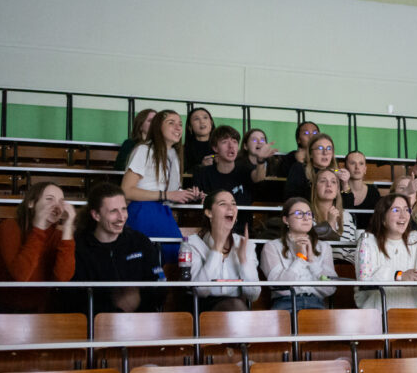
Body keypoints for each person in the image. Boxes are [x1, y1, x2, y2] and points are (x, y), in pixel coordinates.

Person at [121, 110, 202, 263]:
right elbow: (126, 190)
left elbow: (170, 192)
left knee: (176, 258)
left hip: (163, 211)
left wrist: (188, 194)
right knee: (145, 261)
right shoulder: (144, 150)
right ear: (158, 127)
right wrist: (167, 195)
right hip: (142, 211)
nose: (178, 128)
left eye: (180, 124)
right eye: (171, 123)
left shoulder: (174, 155)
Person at [73, 183, 163, 313]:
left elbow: (160, 284)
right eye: (113, 211)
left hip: (141, 320)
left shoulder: (140, 241)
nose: (121, 217)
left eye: (124, 209)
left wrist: (139, 299)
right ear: (96, 215)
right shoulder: (80, 247)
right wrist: (113, 306)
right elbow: (75, 297)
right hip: (96, 322)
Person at [0, 181, 75, 312]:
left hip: (40, 309)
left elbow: (62, 279)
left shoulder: (58, 235)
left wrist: (68, 227)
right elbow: (21, 275)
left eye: (61, 201)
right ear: (31, 203)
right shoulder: (10, 227)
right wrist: (39, 227)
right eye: (49, 199)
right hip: (2, 308)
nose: (56, 206)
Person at [354, 192, 417, 310]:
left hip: (410, 315)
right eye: (396, 210)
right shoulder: (368, 241)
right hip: (375, 315)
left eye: (406, 210)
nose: (403, 216)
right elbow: (365, 277)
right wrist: (400, 276)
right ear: (382, 217)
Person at [187, 125, 272, 234]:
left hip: (241, 231)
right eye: (225, 142)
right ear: (215, 148)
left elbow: (258, 178)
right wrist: (197, 197)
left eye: (235, 142)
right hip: (211, 230)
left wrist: (261, 160)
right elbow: (195, 198)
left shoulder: (245, 170)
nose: (231, 146)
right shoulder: (202, 173)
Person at [260, 197, 338, 311]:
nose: (306, 218)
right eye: (299, 214)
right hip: (285, 304)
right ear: (286, 219)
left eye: (309, 214)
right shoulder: (272, 247)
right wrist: (300, 259)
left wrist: (312, 261)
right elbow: (280, 287)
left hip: (316, 303)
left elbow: (330, 288)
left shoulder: (324, 247)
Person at [188, 189, 260, 311]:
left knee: (236, 306)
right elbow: (200, 291)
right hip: (204, 307)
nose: (231, 208)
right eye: (223, 204)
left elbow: (253, 295)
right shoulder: (192, 243)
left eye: (233, 203)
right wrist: (216, 249)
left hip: (238, 306)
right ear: (209, 213)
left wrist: (243, 261)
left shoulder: (245, 244)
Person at [311, 168, 358, 261]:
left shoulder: (346, 216)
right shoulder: (306, 216)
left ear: (337, 190)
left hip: (343, 267)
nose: (329, 185)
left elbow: (353, 253)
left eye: (333, 182)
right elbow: (310, 252)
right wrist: (330, 225)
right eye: (323, 181)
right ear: (315, 188)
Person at [285, 132, 348, 200]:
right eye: (320, 148)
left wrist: (345, 184)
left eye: (329, 148)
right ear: (310, 153)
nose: (325, 153)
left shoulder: (336, 171)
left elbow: (347, 205)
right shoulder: (299, 168)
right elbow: (291, 198)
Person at [340, 150, 381, 229]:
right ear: (345, 168)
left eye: (361, 163)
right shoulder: (336, 190)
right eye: (352, 163)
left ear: (365, 169)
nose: (357, 167)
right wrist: (339, 173)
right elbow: (333, 170)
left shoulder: (373, 192)